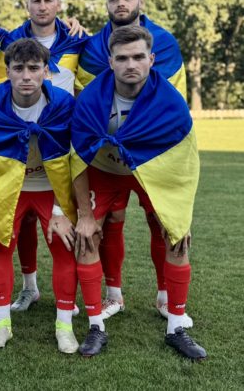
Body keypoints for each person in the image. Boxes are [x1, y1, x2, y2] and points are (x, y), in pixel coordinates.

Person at [70, 25, 206, 360]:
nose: (131, 64)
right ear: (110, 61)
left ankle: (176, 326)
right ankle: (95, 325)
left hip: (151, 170)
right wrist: (84, 215)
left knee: (176, 236)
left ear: (151, 59)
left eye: (138, 57)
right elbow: (77, 156)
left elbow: (184, 160)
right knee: (86, 236)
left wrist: (180, 215)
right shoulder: (91, 98)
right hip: (104, 170)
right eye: (122, 58)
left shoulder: (170, 102)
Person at [76, 0, 189, 324]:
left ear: (141, 1)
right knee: (108, 224)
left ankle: (166, 298)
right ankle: (113, 296)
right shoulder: (91, 47)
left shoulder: (165, 42)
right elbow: (83, 95)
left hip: (150, 158)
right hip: (106, 161)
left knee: (165, 225)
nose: (121, 3)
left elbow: (169, 104)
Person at [0, 38, 78, 351]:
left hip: (50, 187)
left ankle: (65, 326)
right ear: (7, 71)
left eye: (34, 68)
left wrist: (60, 210)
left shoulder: (63, 104)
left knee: (63, 245)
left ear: (46, 71)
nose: (26, 76)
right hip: (10, 187)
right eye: (18, 68)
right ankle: (2, 324)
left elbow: (74, 158)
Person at [3, 0, 88, 312]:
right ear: (27, 4)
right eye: (35, 0)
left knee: (68, 221)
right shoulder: (10, 40)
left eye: (48, 0)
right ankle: (30, 288)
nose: (42, 6)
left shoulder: (77, 39)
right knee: (23, 222)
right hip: (22, 139)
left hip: (62, 141)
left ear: (59, 4)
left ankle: (84, 295)